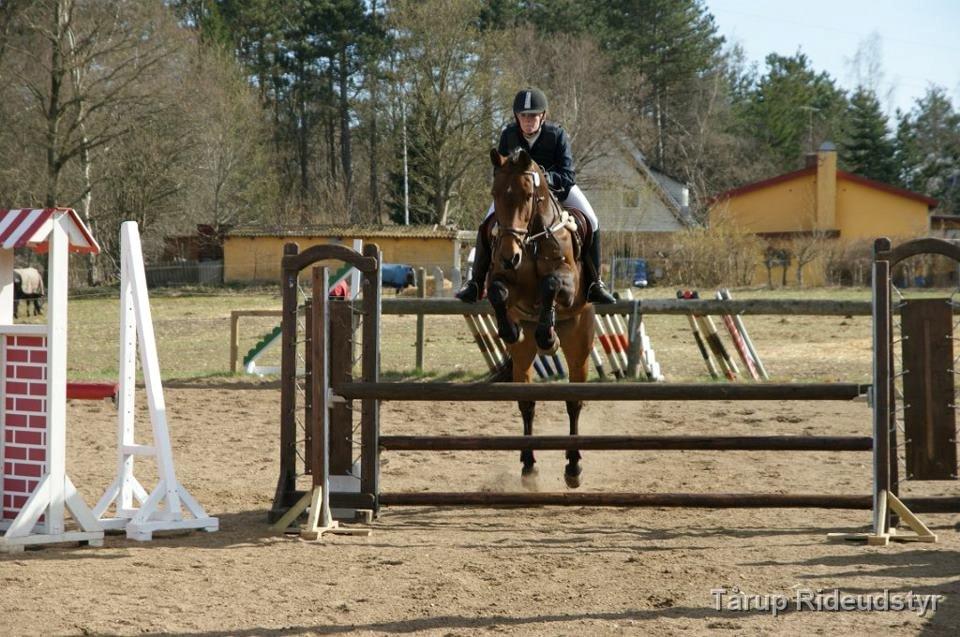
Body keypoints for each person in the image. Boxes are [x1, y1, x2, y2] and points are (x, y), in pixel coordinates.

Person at [456, 87, 617, 305]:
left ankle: (595, 283)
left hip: (558, 191)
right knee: (486, 224)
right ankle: (475, 283)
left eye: (533, 116)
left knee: (592, 221)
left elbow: (567, 174)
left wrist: (542, 180)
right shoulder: (508, 135)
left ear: (543, 116)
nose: (528, 120)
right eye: (524, 116)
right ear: (517, 117)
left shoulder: (557, 135)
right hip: (519, 198)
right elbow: (500, 171)